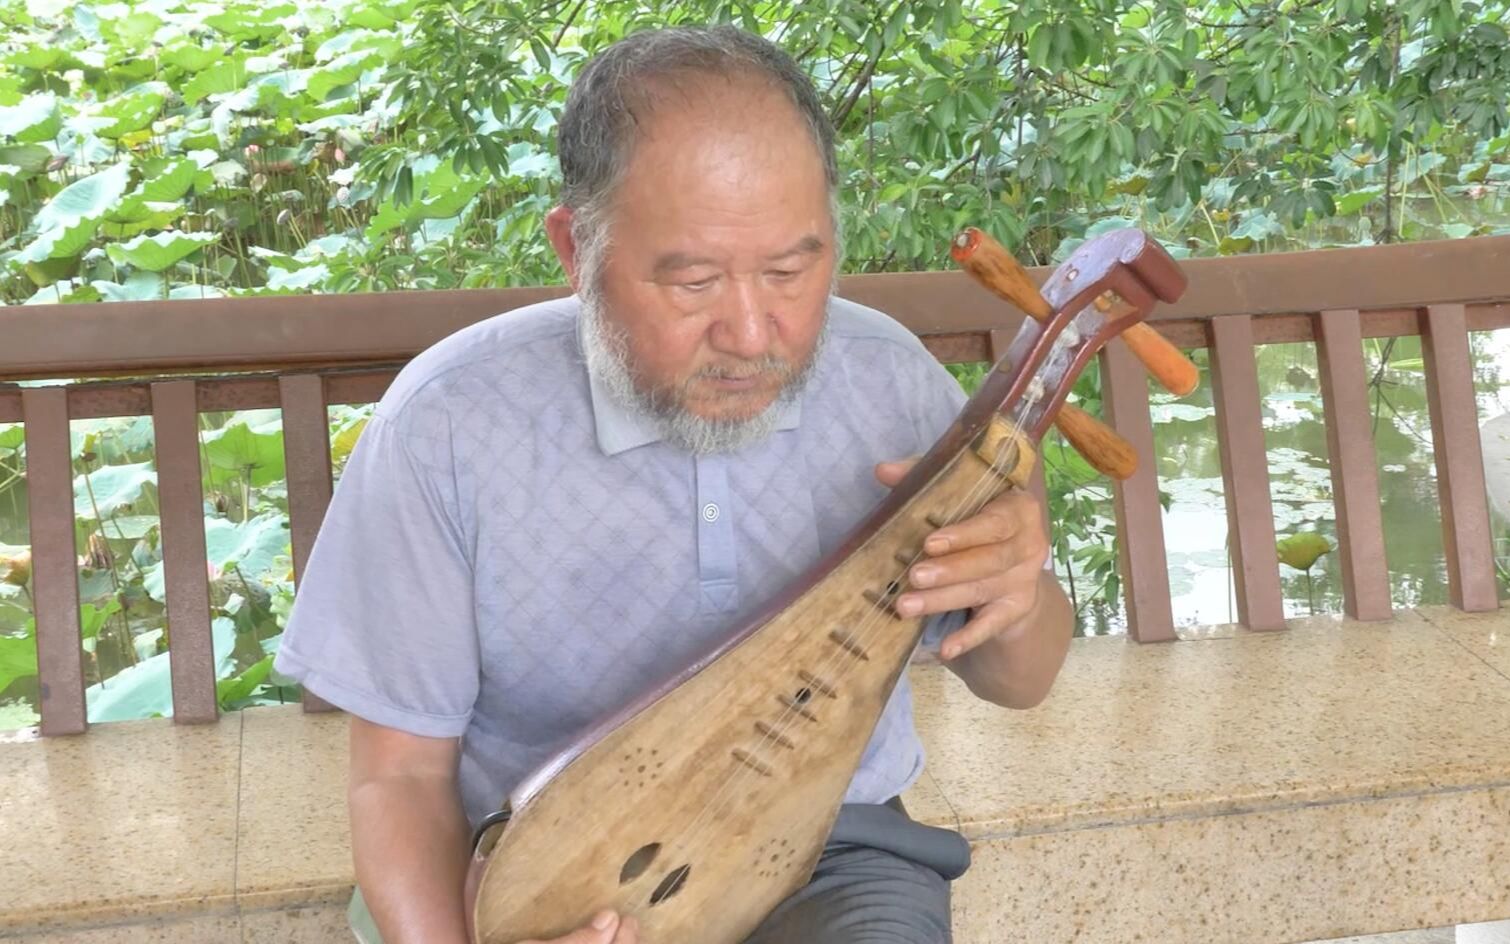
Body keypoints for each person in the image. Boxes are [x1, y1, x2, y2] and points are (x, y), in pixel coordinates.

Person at [273, 23, 1073, 944]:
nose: (749, 330)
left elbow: (1022, 681)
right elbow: (400, 777)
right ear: (576, 252)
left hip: (827, 852)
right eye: (692, 281)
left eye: (790, 268)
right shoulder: (448, 424)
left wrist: (1016, 587)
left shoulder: (892, 387)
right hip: (545, 868)